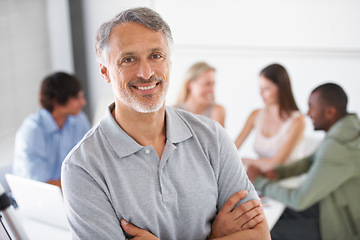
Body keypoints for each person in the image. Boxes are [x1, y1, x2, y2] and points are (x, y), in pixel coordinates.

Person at [61, 7, 270, 240]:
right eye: (128, 59)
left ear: (169, 61)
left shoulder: (213, 137)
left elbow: (260, 236)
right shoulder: (82, 167)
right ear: (105, 72)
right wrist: (215, 235)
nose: (146, 72)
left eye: (155, 56)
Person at [247, 83, 360, 240]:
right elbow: (311, 161)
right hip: (332, 205)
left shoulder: (338, 146)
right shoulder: (347, 130)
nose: (308, 113)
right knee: (275, 215)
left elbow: (299, 199)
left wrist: (259, 181)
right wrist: (280, 172)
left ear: (330, 112)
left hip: (341, 225)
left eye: (311, 107)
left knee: (266, 230)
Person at [13, 72, 90, 188]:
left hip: (68, 193)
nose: (83, 102)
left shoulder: (80, 120)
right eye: (76, 98)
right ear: (56, 101)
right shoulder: (32, 131)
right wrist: (81, 186)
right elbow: (39, 184)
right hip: (38, 197)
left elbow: (88, 163)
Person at [234, 63, 306, 172]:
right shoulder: (255, 115)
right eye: (260, 88)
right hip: (260, 178)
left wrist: (243, 160)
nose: (261, 93)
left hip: (285, 182)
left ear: (281, 88)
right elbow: (232, 149)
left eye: (266, 89)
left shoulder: (297, 121)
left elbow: (276, 164)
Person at [175, 62, 226, 127]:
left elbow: (219, 137)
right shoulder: (174, 112)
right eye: (207, 84)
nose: (212, 90)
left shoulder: (217, 110)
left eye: (213, 84)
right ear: (190, 84)